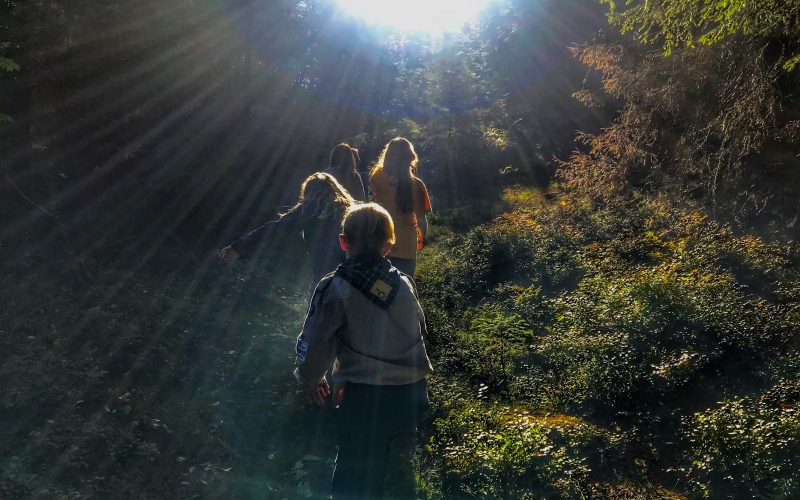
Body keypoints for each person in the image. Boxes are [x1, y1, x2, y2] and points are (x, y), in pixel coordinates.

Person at [294, 203, 433, 500]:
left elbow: (316, 342)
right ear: (388, 246)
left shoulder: (335, 287)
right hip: (412, 394)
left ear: (343, 241)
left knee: (353, 472)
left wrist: (311, 378)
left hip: (366, 397)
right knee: (385, 461)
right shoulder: (404, 283)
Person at [218, 172, 355, 284]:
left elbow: (274, 228)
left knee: (318, 315)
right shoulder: (351, 210)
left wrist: (237, 247)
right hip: (357, 274)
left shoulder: (310, 209)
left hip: (327, 278)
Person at [369, 138, 432, 276]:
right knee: (404, 288)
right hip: (407, 245)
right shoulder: (418, 185)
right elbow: (421, 220)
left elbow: (374, 187)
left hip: (382, 243)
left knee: (380, 290)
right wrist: (422, 239)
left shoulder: (378, 178)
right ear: (410, 158)